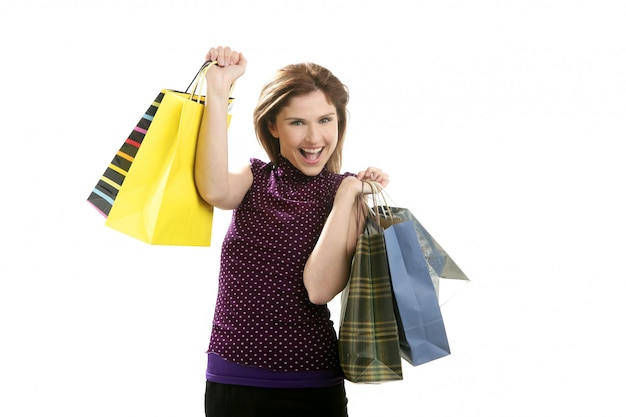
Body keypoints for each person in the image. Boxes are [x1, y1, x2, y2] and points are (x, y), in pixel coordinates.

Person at [195, 46, 389, 417]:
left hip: (310, 384)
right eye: (298, 122)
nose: (314, 137)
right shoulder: (254, 178)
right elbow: (215, 191)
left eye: (325, 120)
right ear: (273, 125)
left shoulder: (347, 195)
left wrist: (345, 195)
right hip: (231, 378)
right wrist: (217, 89)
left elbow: (320, 290)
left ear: (339, 123)